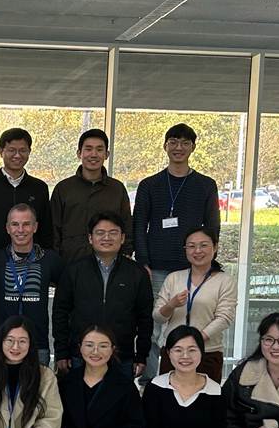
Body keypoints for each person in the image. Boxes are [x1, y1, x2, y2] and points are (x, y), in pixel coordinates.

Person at [133, 123, 221, 381]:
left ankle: (186, 379)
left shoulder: (206, 185)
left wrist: (207, 263)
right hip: (156, 268)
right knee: (152, 326)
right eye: (173, 142)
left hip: (192, 268)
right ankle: (150, 382)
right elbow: (139, 224)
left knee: (189, 323)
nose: (178, 147)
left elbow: (212, 226)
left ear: (193, 147)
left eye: (184, 143)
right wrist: (143, 261)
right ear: (165, 146)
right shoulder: (149, 185)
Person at [53, 211, 153, 380]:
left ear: (122, 238)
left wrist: (141, 355)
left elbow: (145, 318)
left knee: (121, 397)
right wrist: (62, 352)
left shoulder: (137, 273)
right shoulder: (74, 271)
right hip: (80, 355)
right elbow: (60, 313)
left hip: (122, 355)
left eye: (113, 233)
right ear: (90, 238)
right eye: (100, 233)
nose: (107, 238)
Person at [153, 227, 236, 383]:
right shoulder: (173, 278)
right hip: (173, 352)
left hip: (207, 352)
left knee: (206, 397)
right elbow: (158, 317)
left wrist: (195, 340)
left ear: (215, 247)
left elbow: (224, 318)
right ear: (185, 249)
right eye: (191, 246)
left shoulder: (224, 281)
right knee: (169, 396)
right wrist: (171, 305)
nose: (197, 251)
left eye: (203, 245)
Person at [0, 204, 63, 367]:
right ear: (7, 228)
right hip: (1, 342)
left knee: (37, 384)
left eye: (26, 224)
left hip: (37, 343)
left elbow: (66, 298)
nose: (20, 230)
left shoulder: (50, 259)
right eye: (15, 224)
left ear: (35, 227)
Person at [50, 129, 132, 263]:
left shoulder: (117, 189)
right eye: (88, 149)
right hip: (69, 262)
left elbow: (126, 224)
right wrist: (55, 260)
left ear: (107, 154)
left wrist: (126, 253)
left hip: (109, 263)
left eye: (99, 149)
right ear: (79, 153)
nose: (93, 154)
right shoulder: (64, 188)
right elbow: (53, 228)